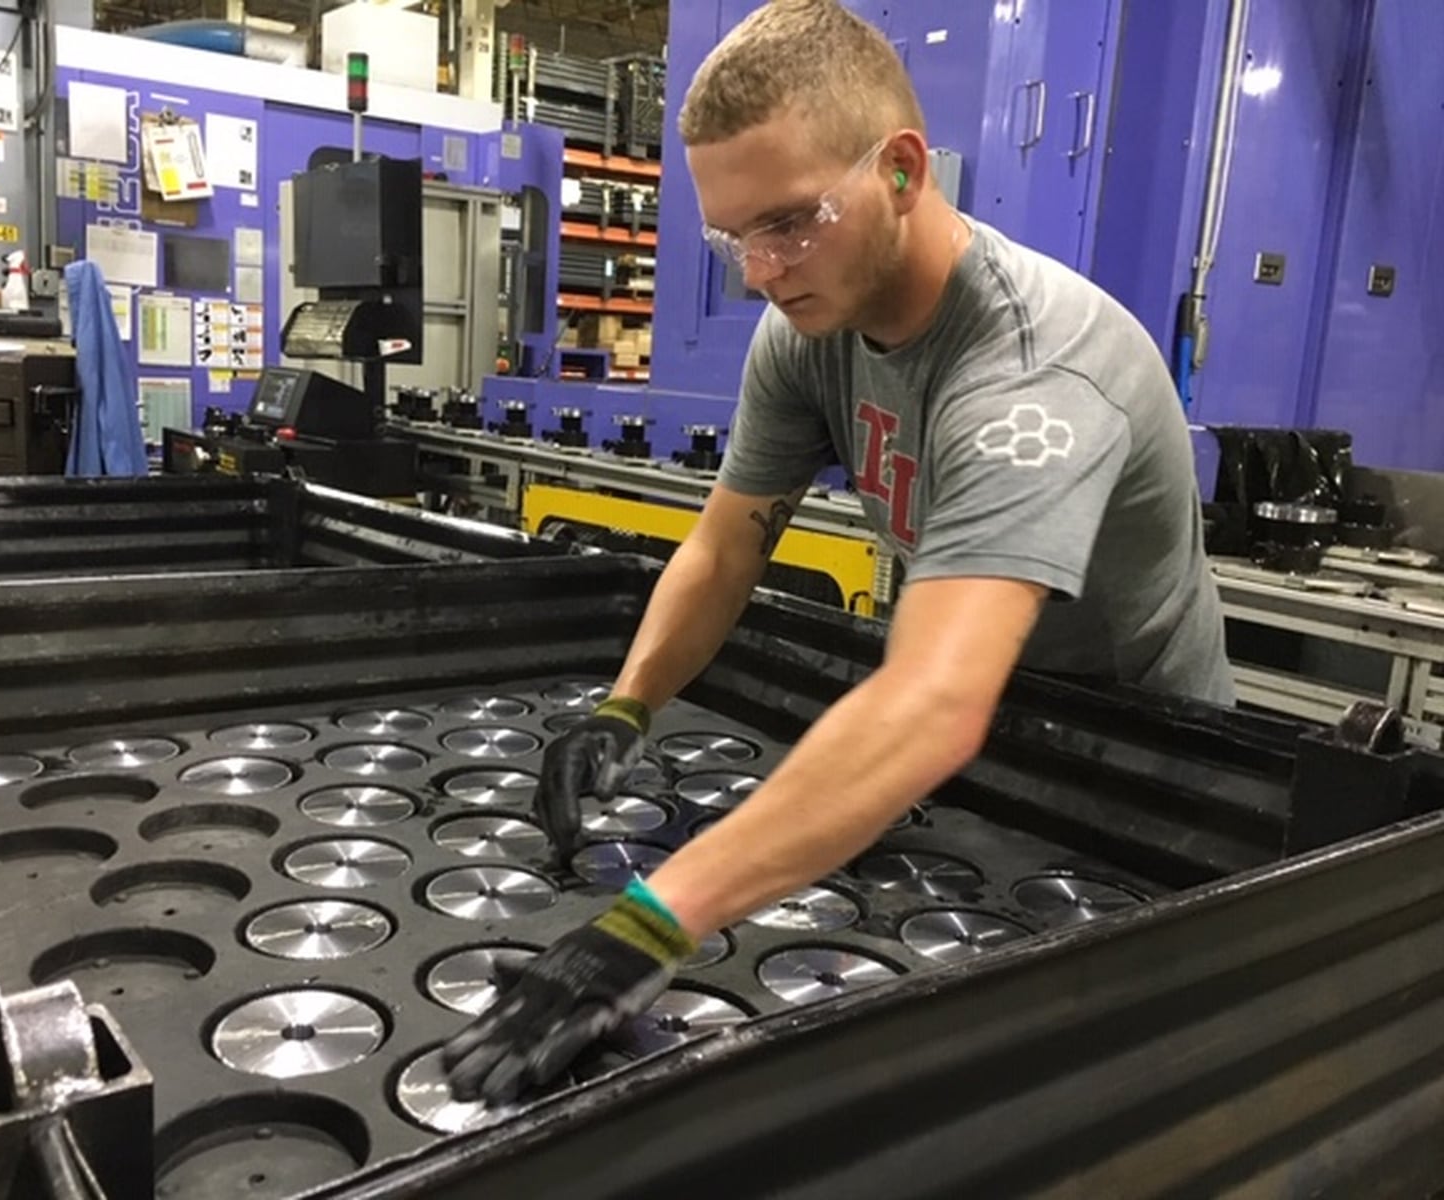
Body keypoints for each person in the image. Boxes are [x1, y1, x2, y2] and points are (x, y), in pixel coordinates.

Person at [442, 0, 1233, 1105]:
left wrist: (643, 929)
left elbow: (932, 704)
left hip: (1151, 780)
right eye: (734, 238)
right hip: (980, 756)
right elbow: (727, 547)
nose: (761, 269)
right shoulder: (805, 335)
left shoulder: (1033, 368)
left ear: (903, 170)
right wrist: (626, 708)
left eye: (790, 223)